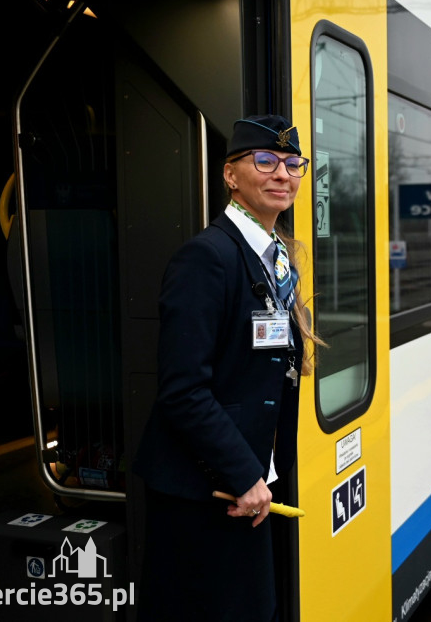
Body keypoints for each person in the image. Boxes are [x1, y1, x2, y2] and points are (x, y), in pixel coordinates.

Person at [134, 114, 319, 621]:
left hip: (246, 482)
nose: (282, 174)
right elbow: (183, 390)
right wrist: (244, 473)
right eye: (265, 160)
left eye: (293, 164)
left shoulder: (272, 257)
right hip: (204, 490)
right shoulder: (207, 257)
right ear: (231, 175)